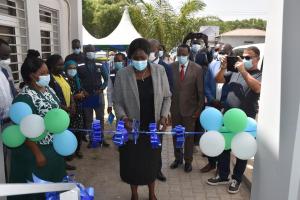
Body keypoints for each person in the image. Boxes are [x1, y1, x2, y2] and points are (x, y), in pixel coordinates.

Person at [113, 38, 171, 200]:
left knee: (152, 163)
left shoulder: (160, 71)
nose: (139, 61)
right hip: (132, 128)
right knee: (133, 163)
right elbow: (117, 101)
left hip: (153, 127)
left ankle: (152, 193)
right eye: (136, 58)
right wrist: (124, 119)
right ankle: (134, 194)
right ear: (130, 57)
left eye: (143, 58)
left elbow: (167, 97)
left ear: (148, 56)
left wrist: (164, 116)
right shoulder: (122, 74)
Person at [8, 50, 66, 200]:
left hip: (54, 149)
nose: (48, 75)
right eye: (44, 72)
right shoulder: (24, 99)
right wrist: (38, 154)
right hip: (35, 152)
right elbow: (23, 129)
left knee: (54, 189)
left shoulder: (49, 90)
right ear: (33, 75)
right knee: (37, 191)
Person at [207, 46, 262, 194]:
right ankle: (223, 176)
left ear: (257, 59)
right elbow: (218, 79)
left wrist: (244, 71)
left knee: (241, 150)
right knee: (225, 147)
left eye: (248, 57)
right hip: (228, 116)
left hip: (245, 119)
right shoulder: (235, 71)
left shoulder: (259, 74)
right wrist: (223, 68)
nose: (244, 60)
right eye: (243, 57)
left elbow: (257, 88)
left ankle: (236, 179)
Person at [169, 44, 204, 173]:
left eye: (184, 54)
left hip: (190, 110)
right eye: (179, 54)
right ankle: (178, 158)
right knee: (176, 135)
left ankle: (188, 161)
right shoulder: (171, 67)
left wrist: (199, 110)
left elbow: (200, 91)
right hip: (175, 109)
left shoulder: (197, 69)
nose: (181, 56)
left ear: (189, 54)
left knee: (188, 137)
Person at [148, 39, 173, 182]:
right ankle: (145, 169)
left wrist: (165, 113)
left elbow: (170, 92)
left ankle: (157, 170)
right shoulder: (140, 66)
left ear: (158, 50)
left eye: (153, 50)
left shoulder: (165, 68)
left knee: (157, 144)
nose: (151, 52)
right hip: (143, 112)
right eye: (149, 49)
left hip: (159, 115)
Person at [46, 54, 77, 171]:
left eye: (63, 63)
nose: (63, 66)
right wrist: (65, 108)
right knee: (57, 139)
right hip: (58, 115)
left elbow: (69, 91)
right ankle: (59, 163)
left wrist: (73, 103)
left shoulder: (62, 76)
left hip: (67, 113)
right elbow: (51, 98)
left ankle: (63, 162)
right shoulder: (49, 80)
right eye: (60, 64)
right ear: (52, 66)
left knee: (63, 138)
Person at [77, 44, 109, 147]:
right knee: (89, 119)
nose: (90, 53)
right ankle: (92, 140)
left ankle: (101, 139)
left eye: (92, 51)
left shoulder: (100, 63)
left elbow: (106, 78)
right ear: (85, 53)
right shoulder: (80, 65)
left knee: (100, 118)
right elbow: (77, 79)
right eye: (88, 51)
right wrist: (82, 90)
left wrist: (102, 88)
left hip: (98, 94)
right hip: (86, 95)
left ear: (94, 52)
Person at [64, 60, 85, 159]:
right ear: (66, 69)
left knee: (79, 130)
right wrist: (76, 96)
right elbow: (65, 96)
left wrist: (83, 94)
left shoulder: (78, 79)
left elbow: (81, 90)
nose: (72, 70)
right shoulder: (64, 81)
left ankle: (78, 149)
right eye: (70, 68)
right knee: (69, 131)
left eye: (74, 68)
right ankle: (69, 151)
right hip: (69, 109)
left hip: (79, 108)